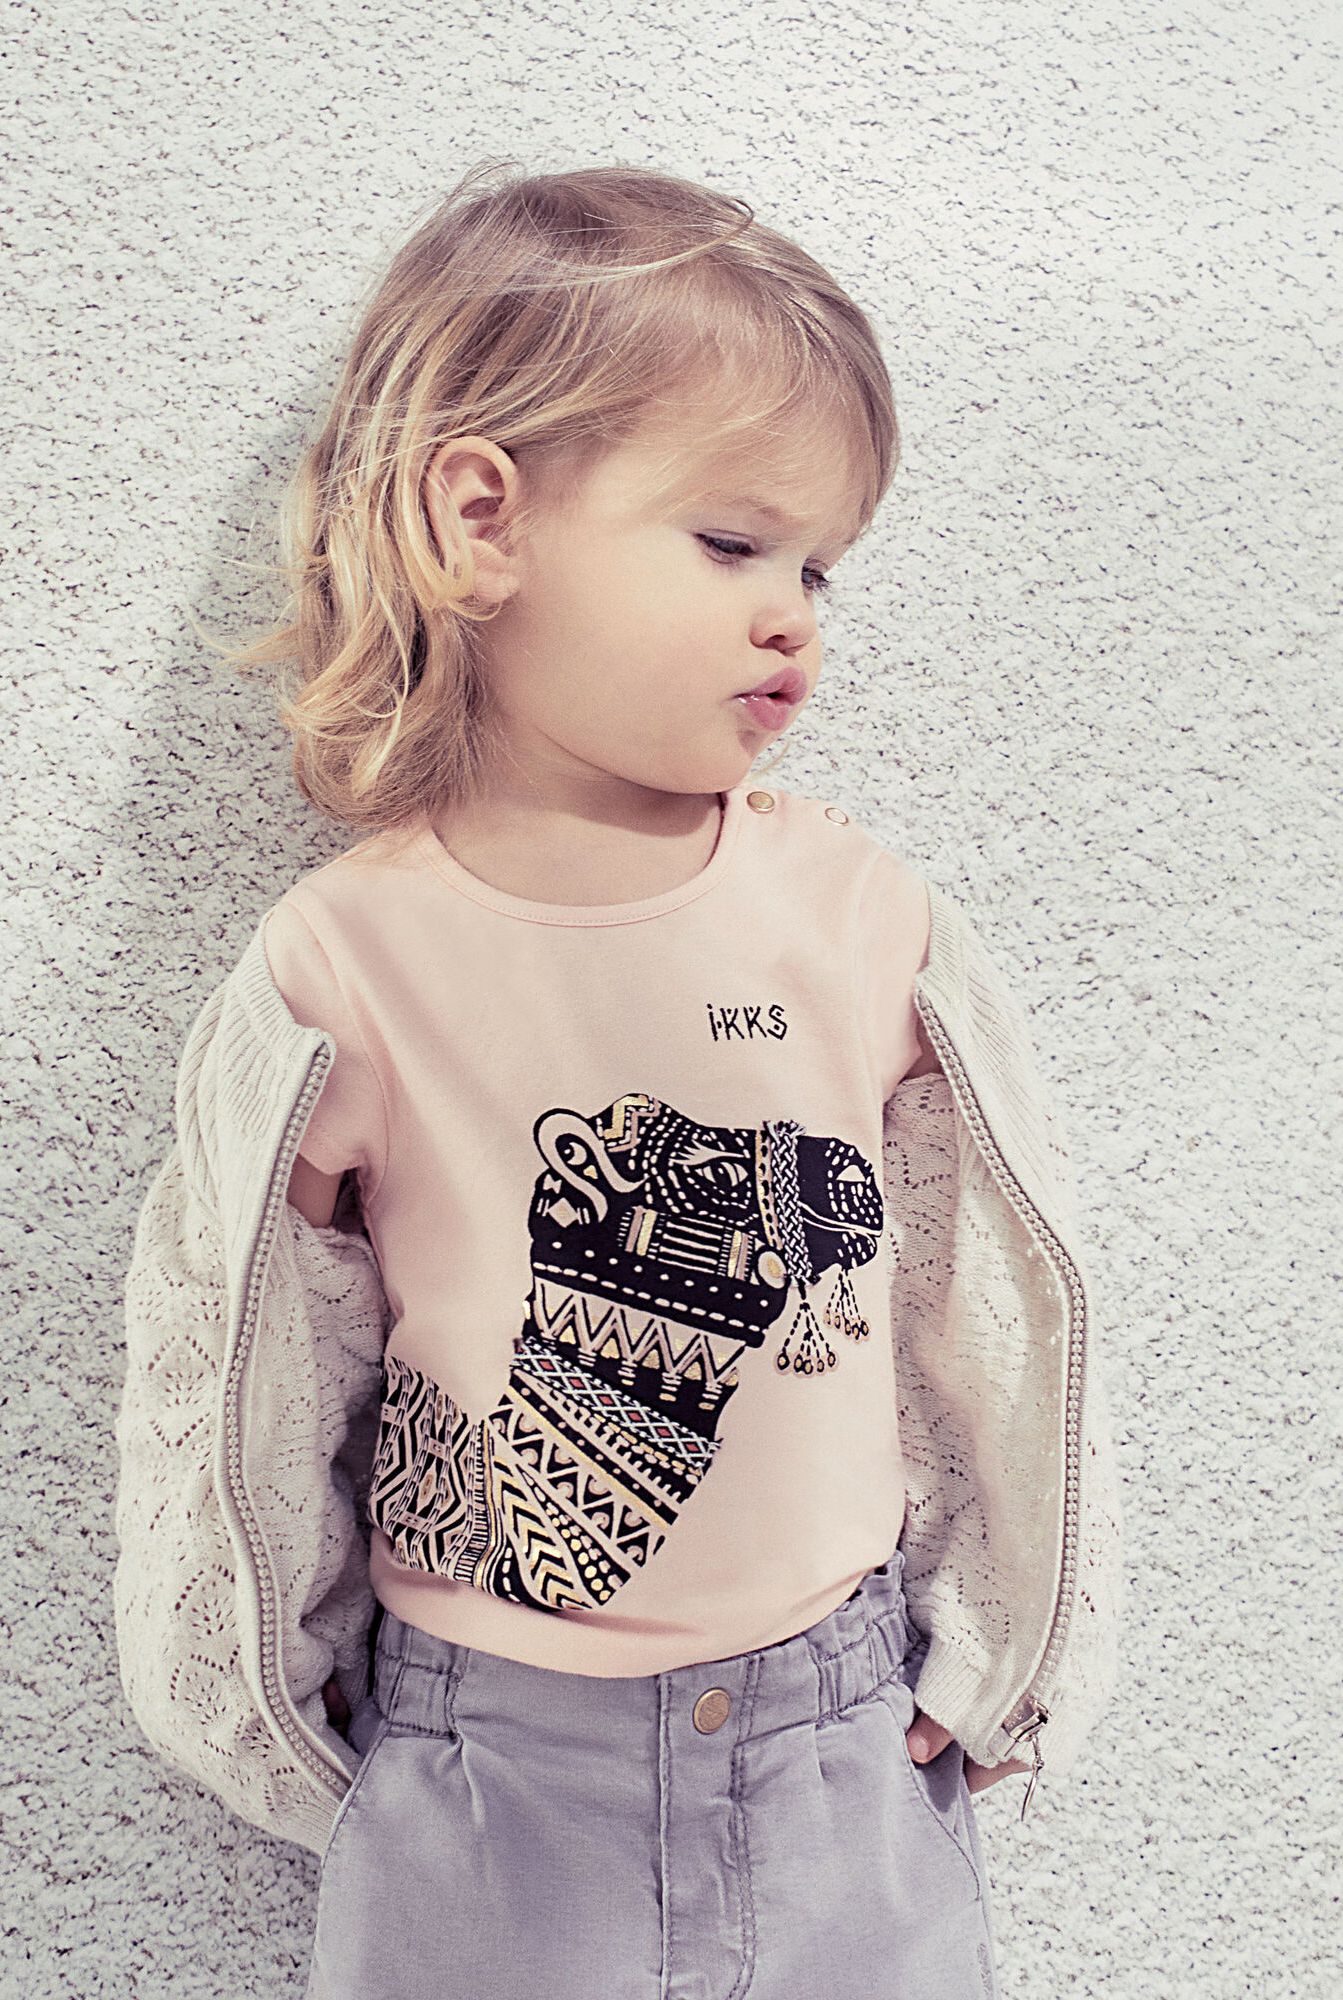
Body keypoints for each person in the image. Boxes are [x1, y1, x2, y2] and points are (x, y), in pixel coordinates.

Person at [114, 162, 1120, 2000]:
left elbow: (988, 1295)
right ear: (481, 519)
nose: (796, 616)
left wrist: (1007, 1643)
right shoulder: (347, 962)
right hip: (489, 1765)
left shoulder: (858, 916)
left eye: (819, 568)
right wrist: (269, 1701)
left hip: (837, 1742)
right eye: (733, 543)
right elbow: (249, 1355)